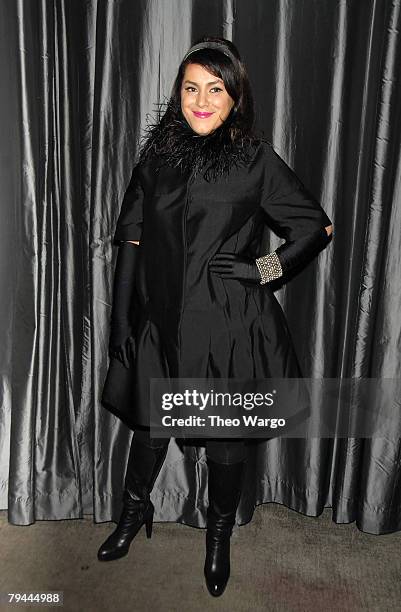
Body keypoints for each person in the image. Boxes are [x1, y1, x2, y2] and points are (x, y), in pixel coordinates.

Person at [99, 36, 333, 597]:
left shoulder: (255, 160)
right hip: (160, 320)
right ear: (179, 93)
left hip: (227, 326)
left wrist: (263, 270)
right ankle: (134, 514)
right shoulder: (158, 154)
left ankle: (219, 536)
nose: (201, 101)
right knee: (150, 427)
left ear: (235, 98)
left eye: (216, 89)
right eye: (191, 88)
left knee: (226, 442)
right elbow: (129, 236)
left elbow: (315, 227)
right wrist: (121, 322)